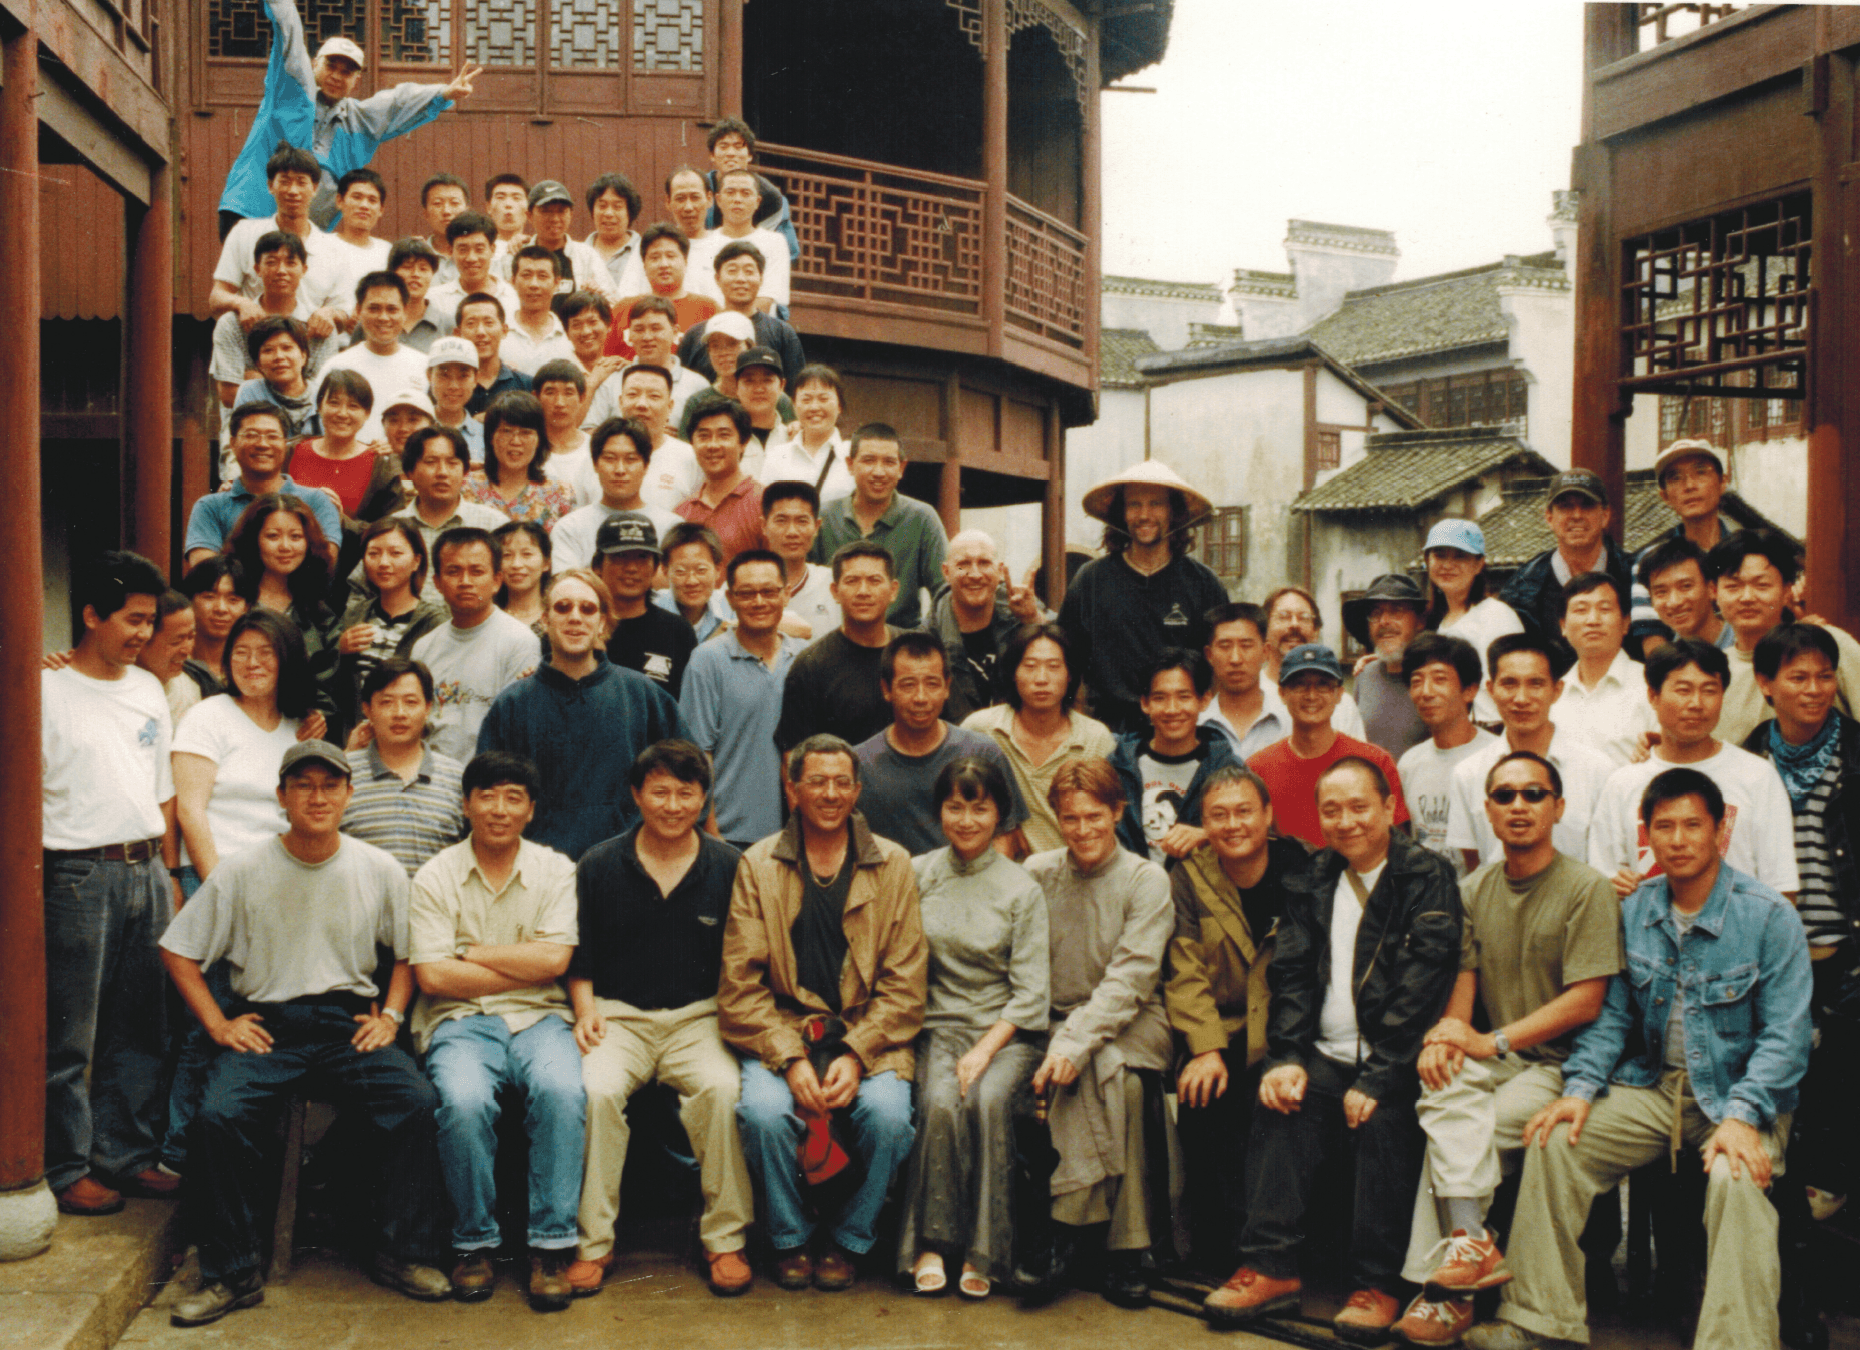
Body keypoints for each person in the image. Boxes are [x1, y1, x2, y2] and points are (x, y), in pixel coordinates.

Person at [1466, 768, 1811, 1350]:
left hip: (1739, 1096)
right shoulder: (1635, 910)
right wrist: (1578, 1089)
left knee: (1735, 1176)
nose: (1678, 840)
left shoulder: (1769, 916)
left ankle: (1737, 1341)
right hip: (1653, 1088)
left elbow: (1787, 1037)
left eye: (1692, 826)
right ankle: (1537, 1319)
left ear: (1720, 830)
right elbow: (1613, 1018)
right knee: (1553, 1141)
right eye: (1664, 827)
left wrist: (1744, 1116)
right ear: (1644, 834)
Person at [159, 740, 452, 1326]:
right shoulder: (243, 869)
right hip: (271, 1026)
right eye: (303, 786)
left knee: (416, 1102)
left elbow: (407, 954)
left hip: (349, 1023)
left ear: (348, 794)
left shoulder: (378, 868)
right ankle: (232, 1273)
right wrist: (219, 1023)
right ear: (282, 797)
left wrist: (390, 1016)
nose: (317, 797)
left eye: (329, 785)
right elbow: (178, 951)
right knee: (218, 1115)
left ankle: (401, 1252)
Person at [1205, 758, 1460, 1339]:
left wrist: (1378, 1077)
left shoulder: (1425, 875)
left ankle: (1379, 1283)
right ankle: (1270, 1267)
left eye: (1359, 807)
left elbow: (1422, 986)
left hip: (1399, 1060)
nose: (1345, 822)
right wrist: (1287, 1055)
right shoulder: (1316, 876)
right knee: (1280, 1099)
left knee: (1383, 1121)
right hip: (1325, 1051)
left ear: (1390, 808)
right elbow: (1291, 975)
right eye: (1331, 810)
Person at [1390, 751, 1620, 1345]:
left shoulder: (1586, 888)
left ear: (1558, 807)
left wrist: (1486, 1041)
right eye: (1505, 796)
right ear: (1487, 812)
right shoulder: (1471, 890)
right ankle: (1469, 1251)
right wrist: (1449, 1038)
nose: (1519, 806)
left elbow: (1585, 1002)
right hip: (1497, 1054)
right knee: (1443, 1088)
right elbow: (1464, 980)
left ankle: (1445, 1290)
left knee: (1465, 1131)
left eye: (1534, 794)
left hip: (1559, 1065)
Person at [721, 734, 927, 1292]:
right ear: (793, 789)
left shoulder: (894, 864)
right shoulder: (758, 864)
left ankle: (848, 1238)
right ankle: (789, 1237)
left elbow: (906, 988)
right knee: (762, 1115)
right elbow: (740, 988)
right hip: (782, 1029)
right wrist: (789, 1058)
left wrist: (859, 1054)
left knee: (887, 1117)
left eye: (842, 783)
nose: (830, 794)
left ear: (858, 790)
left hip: (869, 1030)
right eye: (816, 781)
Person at [566, 740, 755, 1297]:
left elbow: (745, 962)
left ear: (703, 799)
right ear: (636, 794)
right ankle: (593, 1244)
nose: (672, 805)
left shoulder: (730, 866)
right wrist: (584, 1014)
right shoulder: (600, 864)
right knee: (597, 1094)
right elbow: (580, 958)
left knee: (721, 1091)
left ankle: (725, 1240)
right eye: (660, 792)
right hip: (617, 1018)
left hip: (701, 1019)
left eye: (686, 793)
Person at [409, 749, 583, 1312]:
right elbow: (432, 973)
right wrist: (520, 960)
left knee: (561, 1091)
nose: (499, 809)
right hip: (459, 1019)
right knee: (462, 1100)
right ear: (466, 804)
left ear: (531, 809)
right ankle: (473, 1243)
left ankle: (551, 1246)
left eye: (513, 797)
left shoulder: (556, 869)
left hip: (541, 1017)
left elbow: (555, 962)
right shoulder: (437, 875)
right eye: (486, 795)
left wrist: (477, 953)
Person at [41, 551, 180, 1216]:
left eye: (150, 622)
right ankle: (67, 1166)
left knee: (140, 1025)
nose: (142, 634)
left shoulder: (149, 689)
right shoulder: (41, 690)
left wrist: (169, 871)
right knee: (72, 1032)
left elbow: (163, 790)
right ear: (91, 615)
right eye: (131, 620)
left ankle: (124, 1155)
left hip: (145, 866)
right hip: (77, 870)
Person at [898, 757, 1050, 1298]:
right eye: (955, 807)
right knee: (940, 1100)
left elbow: (1032, 993)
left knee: (986, 1101)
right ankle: (932, 1244)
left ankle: (986, 1251)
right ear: (939, 810)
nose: (966, 820)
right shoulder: (916, 874)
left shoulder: (1021, 887)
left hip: (1006, 1034)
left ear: (1000, 814)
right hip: (937, 1026)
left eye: (980, 808)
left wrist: (984, 1050)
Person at [1025, 758, 1173, 1307]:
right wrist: (1061, 1038)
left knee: (1104, 1067)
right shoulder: (1039, 873)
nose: (1083, 830)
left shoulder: (1145, 879)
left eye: (1094, 816)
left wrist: (1073, 1043)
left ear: (1117, 812)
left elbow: (1131, 979)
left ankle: (1068, 1233)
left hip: (1135, 1021)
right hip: (1056, 1020)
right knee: (1118, 1085)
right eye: (1070, 818)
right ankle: (1122, 1245)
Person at [1741, 624, 1860, 1281]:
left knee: (1840, 1099)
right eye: (1798, 676)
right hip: (1773, 964)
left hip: (1848, 955)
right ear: (1765, 685)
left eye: (1824, 676)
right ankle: (1790, 1264)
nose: (1815, 689)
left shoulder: (1858, 755)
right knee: (1789, 1103)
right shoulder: (1745, 762)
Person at [1164, 766, 1307, 1279]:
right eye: (1217, 815)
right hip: (1221, 1027)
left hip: (1288, 1030)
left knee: (1271, 1106)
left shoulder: (1303, 869)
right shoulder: (1189, 875)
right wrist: (1203, 1048)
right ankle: (1211, 1251)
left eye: (1244, 811)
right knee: (1203, 1095)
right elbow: (1183, 970)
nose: (1232, 825)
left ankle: (1269, 1256)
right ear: (1201, 824)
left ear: (1268, 815)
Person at [477, 569, 687, 860]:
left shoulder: (642, 696)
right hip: (539, 872)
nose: (575, 617)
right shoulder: (513, 704)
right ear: (545, 620)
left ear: (601, 622)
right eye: (563, 607)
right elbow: (488, 794)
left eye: (587, 608)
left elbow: (690, 776)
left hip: (629, 867)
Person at [216, 0, 475, 226]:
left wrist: (444, 93)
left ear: (357, 81)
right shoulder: (290, 94)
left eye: (347, 71)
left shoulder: (360, 120)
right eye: (331, 65)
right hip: (250, 211)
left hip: (307, 232)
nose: (337, 76)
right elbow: (290, 36)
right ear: (315, 63)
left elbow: (397, 101)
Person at [1588, 637, 1800, 899]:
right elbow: (1601, 877)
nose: (1696, 704)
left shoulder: (1757, 776)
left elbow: (1782, 886)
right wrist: (1614, 885)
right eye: (1683, 690)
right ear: (1653, 696)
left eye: (1709, 690)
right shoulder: (1623, 783)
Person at [1059, 461, 1227, 735]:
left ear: (1173, 512)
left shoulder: (1203, 583)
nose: (1144, 515)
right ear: (1122, 514)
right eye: (1134, 505)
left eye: (1156, 504)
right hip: (1107, 730)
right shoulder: (1091, 580)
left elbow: (1219, 666)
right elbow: (1067, 661)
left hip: (1179, 727)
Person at [173, 608, 322, 890]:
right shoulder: (207, 717)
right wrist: (218, 886)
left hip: (280, 878)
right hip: (214, 874)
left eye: (266, 652)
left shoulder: (298, 727)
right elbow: (190, 811)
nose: (252, 663)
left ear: (286, 658)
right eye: (240, 652)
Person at [1446, 633, 1617, 873]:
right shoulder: (1468, 774)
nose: (1521, 699)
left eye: (1535, 684)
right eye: (1509, 684)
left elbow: (1606, 862)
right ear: (1491, 689)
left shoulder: (1597, 769)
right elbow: (1473, 866)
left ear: (1557, 690)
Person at [851, 631, 1028, 858]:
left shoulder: (982, 752)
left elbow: (1008, 836)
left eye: (932, 684)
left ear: (947, 687)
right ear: (886, 689)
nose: (921, 698)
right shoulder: (862, 764)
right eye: (908, 685)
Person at [680, 549, 803, 850]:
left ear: (786, 595)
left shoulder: (804, 658)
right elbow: (698, 753)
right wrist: (712, 834)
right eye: (746, 593)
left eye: (769, 591)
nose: (759, 602)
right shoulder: (707, 661)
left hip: (795, 836)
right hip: (728, 836)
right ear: (731, 599)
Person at [962, 621, 1117, 857]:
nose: (1041, 678)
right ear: (1013, 673)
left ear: (1070, 675)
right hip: (1004, 877)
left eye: (1054, 666)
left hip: (1075, 874)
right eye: (1030, 666)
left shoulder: (1094, 738)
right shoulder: (982, 730)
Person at [1247, 644, 1409, 851]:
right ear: (1282, 693)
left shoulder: (1374, 761)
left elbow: (1399, 844)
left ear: (1339, 694)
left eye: (1323, 685)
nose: (1311, 695)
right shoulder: (1258, 768)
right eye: (1299, 685)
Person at [1709, 528, 1860, 743]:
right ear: (1714, 592)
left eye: (1762, 585)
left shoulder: (1828, 644)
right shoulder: (1714, 670)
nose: (1747, 597)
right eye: (1733, 586)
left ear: (1787, 590)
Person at [410, 526, 541, 761]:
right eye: (453, 571)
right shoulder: (423, 647)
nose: (465, 581)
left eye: (477, 571)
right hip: (432, 779)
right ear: (437, 582)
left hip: (491, 780)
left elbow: (518, 729)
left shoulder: (519, 642)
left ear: (496, 581)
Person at [811, 424, 947, 631]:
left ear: (901, 468)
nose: (879, 472)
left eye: (889, 462)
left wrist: (920, 637)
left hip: (900, 646)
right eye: (868, 460)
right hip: (835, 640)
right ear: (850, 464)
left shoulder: (922, 518)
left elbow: (944, 591)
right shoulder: (825, 517)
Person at [340, 657, 466, 877]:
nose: (399, 713)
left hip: (435, 910)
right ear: (367, 710)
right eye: (386, 702)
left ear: (428, 708)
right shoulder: (341, 776)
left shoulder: (458, 778)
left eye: (411, 702)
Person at [1109, 648, 1237, 864]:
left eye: (1184, 696)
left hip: (1198, 893)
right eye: (1160, 698)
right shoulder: (1118, 767)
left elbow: (1256, 828)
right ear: (1145, 703)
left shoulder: (1226, 768)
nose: (1172, 709)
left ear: (1204, 700)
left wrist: (1208, 835)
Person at [776, 540, 904, 751]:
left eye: (874, 580)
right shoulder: (811, 666)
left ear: (893, 590)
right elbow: (794, 754)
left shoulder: (916, 652)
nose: (863, 591)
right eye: (852, 581)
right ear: (834, 591)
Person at [184, 403, 341, 568]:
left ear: (285, 444)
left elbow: (323, 567)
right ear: (232, 443)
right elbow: (205, 572)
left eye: (272, 436)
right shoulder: (210, 507)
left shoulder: (316, 502)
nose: (263, 444)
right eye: (251, 435)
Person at [221, 492, 340, 706]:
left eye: (295, 537)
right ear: (254, 540)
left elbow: (327, 685)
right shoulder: (232, 601)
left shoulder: (317, 612)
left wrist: (317, 716)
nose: (285, 546)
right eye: (273, 536)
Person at [1495, 469, 1636, 645]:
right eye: (1565, 506)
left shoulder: (1636, 575)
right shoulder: (1521, 588)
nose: (1577, 515)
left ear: (1605, 516)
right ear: (1549, 517)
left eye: (1587, 505)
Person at [211, 144, 346, 327]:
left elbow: (345, 313)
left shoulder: (333, 248)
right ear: (270, 186)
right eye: (285, 181)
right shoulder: (244, 233)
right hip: (255, 342)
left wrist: (329, 313)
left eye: (301, 182)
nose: (293, 191)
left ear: (315, 188)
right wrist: (241, 303)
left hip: (309, 347)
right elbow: (217, 297)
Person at [1395, 634, 1497, 877]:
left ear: (1470, 690)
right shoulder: (1410, 763)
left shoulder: (1497, 758)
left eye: (1440, 679)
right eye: (1416, 681)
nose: (1426, 692)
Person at [333, 517, 445, 727]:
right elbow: (334, 687)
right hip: (355, 734)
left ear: (416, 561)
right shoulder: (353, 615)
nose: (384, 563)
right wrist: (338, 650)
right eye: (374, 553)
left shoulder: (435, 622)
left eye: (396, 553)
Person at [1628, 439, 1736, 654]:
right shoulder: (1649, 560)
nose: (1689, 486)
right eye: (1676, 478)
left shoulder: (1747, 554)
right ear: (1665, 495)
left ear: (1723, 482)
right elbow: (1653, 642)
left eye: (1701, 473)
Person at [212, 233, 341, 408]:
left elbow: (323, 395)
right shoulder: (232, 323)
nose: (281, 271)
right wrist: (295, 382)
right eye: (271, 262)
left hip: (305, 427)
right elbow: (229, 395)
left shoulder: (321, 326)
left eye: (290, 263)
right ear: (257, 269)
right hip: (246, 426)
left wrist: (256, 381)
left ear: (304, 269)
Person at [931, 529, 1044, 723]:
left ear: (1000, 571)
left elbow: (1067, 660)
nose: (975, 574)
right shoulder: (928, 639)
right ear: (946, 572)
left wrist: (1032, 619)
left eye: (984, 563)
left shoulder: (1023, 615)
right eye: (963, 564)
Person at [1421, 519, 1524, 726]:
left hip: (1493, 734)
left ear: (1478, 565)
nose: (1448, 565)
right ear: (1427, 561)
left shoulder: (1496, 616)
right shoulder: (1439, 622)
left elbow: (1516, 687)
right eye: (1440, 555)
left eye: (1460, 556)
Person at [289, 368, 405, 549]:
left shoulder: (381, 464)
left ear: (366, 414)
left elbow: (391, 531)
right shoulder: (290, 452)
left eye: (353, 406)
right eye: (334, 403)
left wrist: (341, 521)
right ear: (319, 406)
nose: (342, 413)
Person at [389, 425, 505, 603]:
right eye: (430, 462)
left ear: (465, 471)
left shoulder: (493, 524)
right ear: (410, 472)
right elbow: (361, 590)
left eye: (452, 463)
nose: (442, 472)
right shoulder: (391, 528)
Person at [1553, 572, 1657, 767]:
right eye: (1581, 610)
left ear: (1626, 623)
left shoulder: (1652, 686)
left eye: (1605, 609)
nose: (1593, 620)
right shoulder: (1553, 695)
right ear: (1563, 626)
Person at [552, 417, 681, 571]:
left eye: (631, 459)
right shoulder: (570, 528)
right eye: (610, 459)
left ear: (646, 465)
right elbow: (568, 588)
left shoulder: (672, 529)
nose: (620, 470)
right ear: (595, 464)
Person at [314, 273, 431, 443]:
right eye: (374, 308)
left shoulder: (425, 366)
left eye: (392, 309)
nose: (383, 317)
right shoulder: (336, 366)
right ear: (359, 311)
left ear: (405, 311)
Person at [595, 514, 698, 696]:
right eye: (620, 557)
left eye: (642, 557)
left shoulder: (678, 631)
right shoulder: (581, 625)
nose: (632, 568)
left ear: (656, 566)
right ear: (598, 566)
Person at [584, 295, 712, 430]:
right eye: (639, 329)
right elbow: (587, 431)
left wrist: (677, 440)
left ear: (675, 332)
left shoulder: (697, 385)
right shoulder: (611, 380)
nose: (647, 337)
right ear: (630, 334)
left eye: (656, 328)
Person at [677, 257, 807, 385]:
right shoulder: (696, 334)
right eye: (732, 271)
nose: (740, 279)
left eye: (749, 271)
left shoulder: (782, 333)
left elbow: (795, 388)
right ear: (717, 278)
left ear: (761, 278)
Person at [1260, 585, 1368, 739]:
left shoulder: (1342, 704)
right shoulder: (1251, 695)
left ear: (1316, 631)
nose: (1294, 624)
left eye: (1304, 617)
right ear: (1264, 629)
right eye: (1283, 616)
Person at [600, 224, 720, 361]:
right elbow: (606, 361)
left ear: (685, 261)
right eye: (655, 258)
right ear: (644, 265)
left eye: (670, 256)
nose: (663, 264)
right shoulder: (623, 309)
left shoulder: (709, 310)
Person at [1342, 573, 1429, 760]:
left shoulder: (1434, 676)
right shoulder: (1364, 675)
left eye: (1396, 611)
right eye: (1376, 613)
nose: (1384, 621)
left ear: (1420, 621)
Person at [464, 391, 575, 529]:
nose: (516, 441)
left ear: (539, 439)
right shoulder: (465, 489)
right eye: (506, 431)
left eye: (526, 432)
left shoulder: (560, 493)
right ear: (491, 437)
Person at [677, 395, 765, 565]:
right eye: (704, 436)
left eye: (723, 435)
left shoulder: (764, 503)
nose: (713, 445)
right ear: (692, 443)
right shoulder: (683, 512)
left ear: (743, 442)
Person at [701, 118, 800, 263]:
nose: (730, 153)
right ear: (712, 154)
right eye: (723, 146)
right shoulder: (700, 188)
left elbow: (788, 251)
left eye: (738, 146)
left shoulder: (770, 197)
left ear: (749, 155)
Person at [1200, 601, 1292, 759]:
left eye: (1246, 645)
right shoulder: (1197, 724)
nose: (1235, 659)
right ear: (1209, 655)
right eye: (1225, 646)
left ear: (1265, 652)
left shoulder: (1289, 721)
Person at [688, 179, 791, 316]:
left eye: (745, 193)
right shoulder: (701, 244)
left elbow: (766, 300)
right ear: (718, 200)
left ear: (757, 201)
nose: (737, 199)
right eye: (730, 192)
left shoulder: (774, 242)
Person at [760, 364, 856, 505]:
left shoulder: (854, 454)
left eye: (823, 399)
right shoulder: (777, 456)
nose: (814, 407)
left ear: (839, 405)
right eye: (806, 400)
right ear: (794, 405)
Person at [759, 478, 841, 641]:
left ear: (816, 527)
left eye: (802, 521)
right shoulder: (741, 584)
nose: (792, 532)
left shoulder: (835, 583)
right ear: (764, 526)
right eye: (781, 521)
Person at [228, 315, 321, 453]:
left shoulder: (323, 394)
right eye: (268, 350)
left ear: (303, 356)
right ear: (258, 363)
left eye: (287, 348)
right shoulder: (250, 392)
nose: (279, 357)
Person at [521, 180, 611, 300]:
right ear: (529, 216)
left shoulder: (587, 256)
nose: (555, 218)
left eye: (561, 211)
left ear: (571, 214)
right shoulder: (518, 255)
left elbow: (612, 301)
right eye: (546, 211)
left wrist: (597, 297)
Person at [1637, 537, 1731, 650]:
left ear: (1712, 589)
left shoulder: (1746, 641)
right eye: (1661, 592)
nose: (1674, 602)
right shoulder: (1669, 664)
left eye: (1686, 586)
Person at [427, 213, 520, 324]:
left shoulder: (513, 297)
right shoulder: (435, 300)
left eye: (479, 249)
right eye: (463, 249)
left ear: (492, 250)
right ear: (450, 251)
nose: (471, 258)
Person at [501, 246, 578, 376]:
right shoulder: (499, 333)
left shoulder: (568, 334)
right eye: (526, 275)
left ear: (557, 282)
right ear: (513, 281)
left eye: (542, 276)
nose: (534, 284)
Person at [457, 291, 531, 422]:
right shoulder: (447, 388)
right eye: (471, 323)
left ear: (504, 331)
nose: (480, 332)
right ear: (458, 333)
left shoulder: (526, 385)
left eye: (488, 323)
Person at [530, 359, 595, 506]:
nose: (559, 403)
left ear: (582, 398)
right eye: (550, 392)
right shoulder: (526, 449)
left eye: (568, 393)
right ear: (536, 397)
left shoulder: (595, 449)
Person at [322, 169, 391, 302]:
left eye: (372, 200)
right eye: (357, 197)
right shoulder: (321, 247)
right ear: (339, 201)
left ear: (381, 209)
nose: (364, 205)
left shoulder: (388, 252)